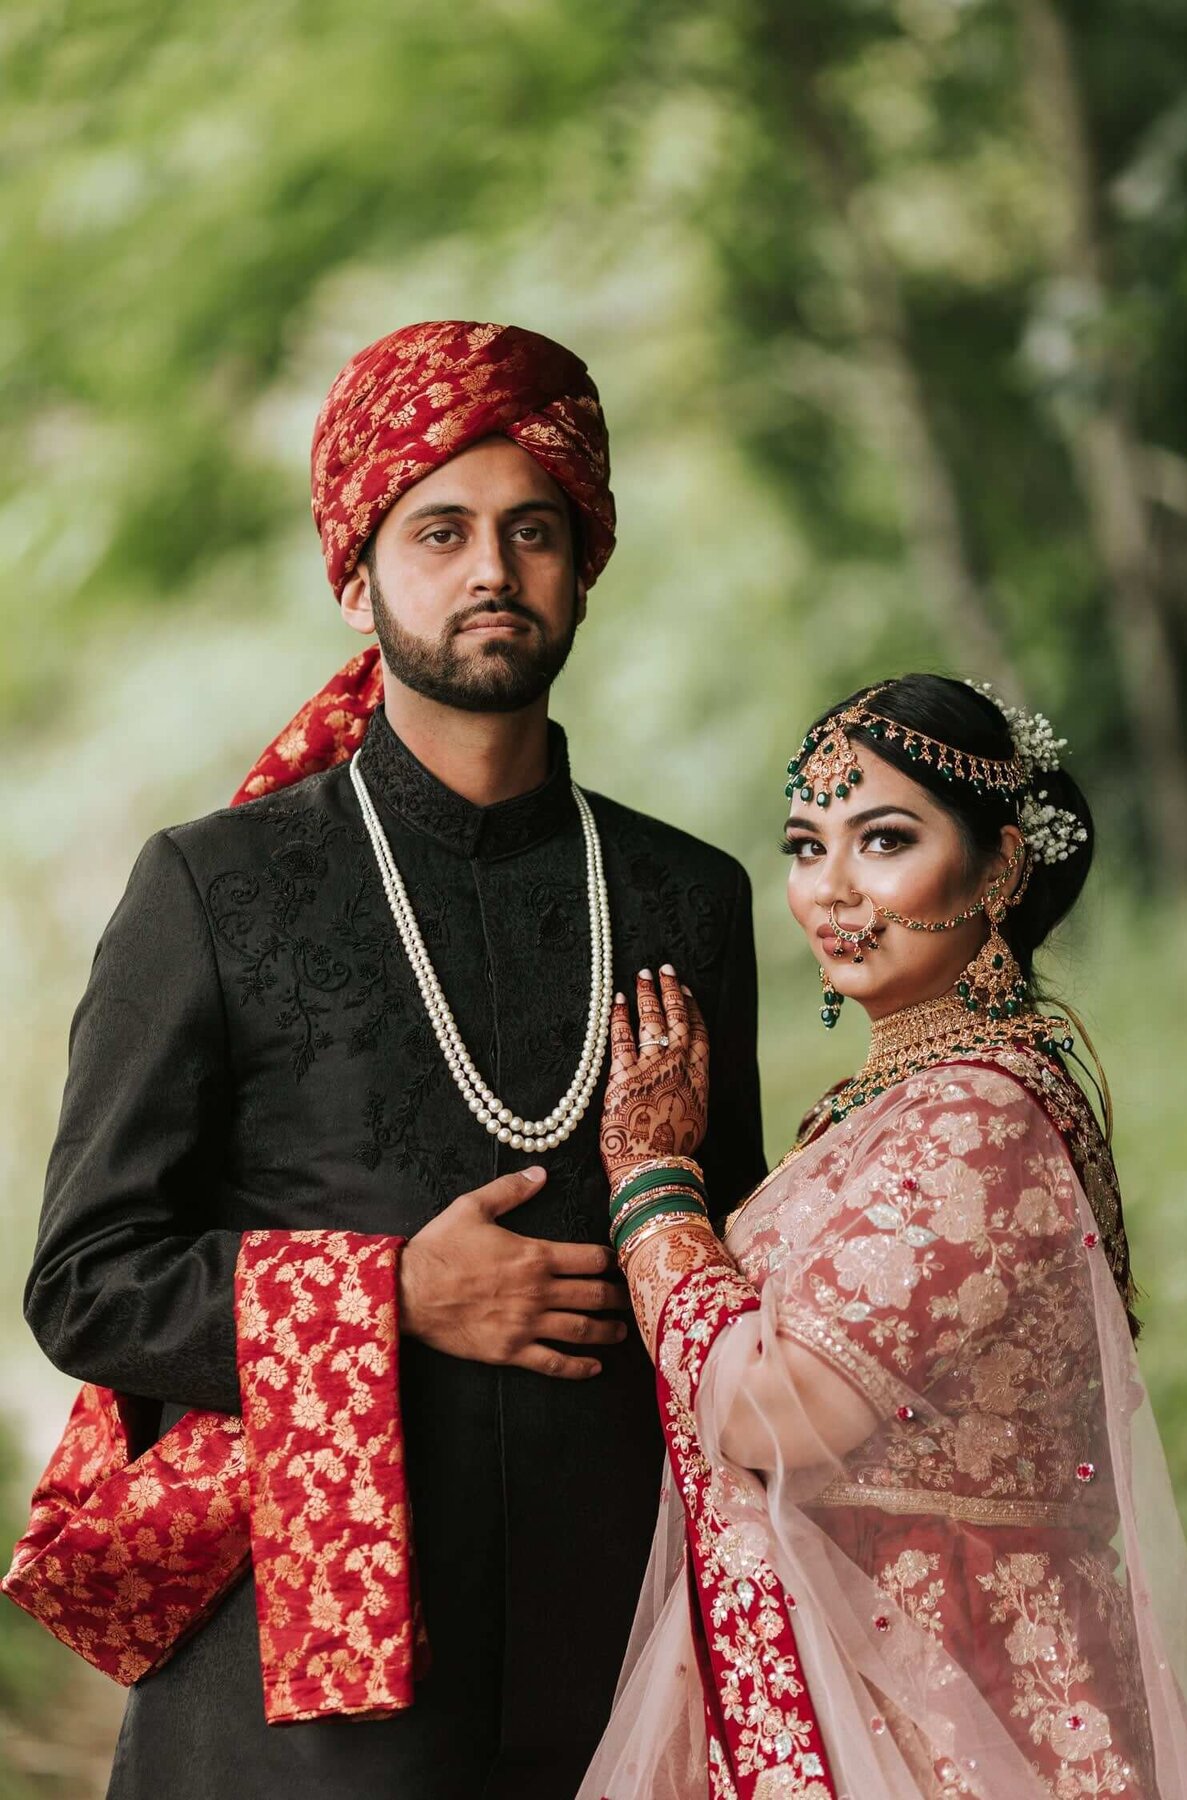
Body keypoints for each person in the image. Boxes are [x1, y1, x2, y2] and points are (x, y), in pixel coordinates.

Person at [12, 321, 767, 1800]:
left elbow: (727, 1274)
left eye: (532, 530)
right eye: (441, 532)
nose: (491, 569)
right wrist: (390, 1294)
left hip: (619, 1680)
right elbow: (86, 1281)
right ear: (358, 578)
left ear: (584, 566)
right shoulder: (216, 887)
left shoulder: (687, 896)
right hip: (301, 1710)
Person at [582, 674, 1187, 1799]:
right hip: (881, 1682)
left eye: (884, 840)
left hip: (962, 1712)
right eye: (806, 846)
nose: (832, 891)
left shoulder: (984, 1117)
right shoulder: (889, 1109)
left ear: (1001, 866)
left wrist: (654, 1188)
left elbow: (781, 1410)